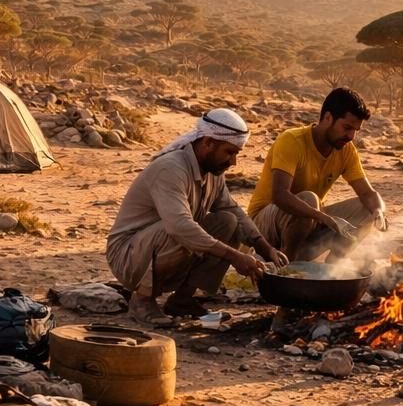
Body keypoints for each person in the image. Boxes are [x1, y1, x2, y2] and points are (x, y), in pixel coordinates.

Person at [107, 108, 288, 324]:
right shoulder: (170, 169)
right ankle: (142, 301)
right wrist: (234, 256)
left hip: (157, 246)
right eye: (229, 152)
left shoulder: (212, 172)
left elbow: (232, 210)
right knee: (179, 230)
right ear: (208, 143)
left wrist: (263, 246)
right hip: (128, 256)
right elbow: (179, 227)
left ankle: (182, 300)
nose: (233, 162)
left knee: (227, 222)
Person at [248, 87, 387, 262]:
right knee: (309, 200)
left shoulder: (346, 150)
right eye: (347, 127)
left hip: (307, 226)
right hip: (263, 228)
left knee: (367, 208)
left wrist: (379, 212)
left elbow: (368, 193)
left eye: (355, 130)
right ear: (328, 118)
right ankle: (287, 266)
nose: (351, 136)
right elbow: (280, 195)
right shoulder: (292, 141)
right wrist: (321, 216)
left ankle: (333, 267)